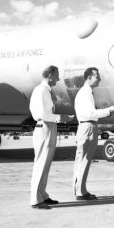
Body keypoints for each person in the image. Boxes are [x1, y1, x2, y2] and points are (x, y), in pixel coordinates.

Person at [74, 67, 114, 200]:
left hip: (88, 126)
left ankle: (80, 190)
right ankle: (80, 192)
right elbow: (91, 113)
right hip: (87, 127)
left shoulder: (86, 92)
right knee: (84, 160)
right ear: (89, 78)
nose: (99, 79)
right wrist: (109, 110)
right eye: (97, 76)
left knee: (84, 160)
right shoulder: (85, 93)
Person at [29, 65, 73, 209]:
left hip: (49, 126)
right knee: (40, 164)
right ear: (50, 76)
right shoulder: (41, 90)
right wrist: (61, 117)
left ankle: (42, 195)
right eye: (57, 75)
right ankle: (35, 199)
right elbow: (41, 114)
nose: (59, 78)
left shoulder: (46, 91)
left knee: (45, 165)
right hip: (44, 127)